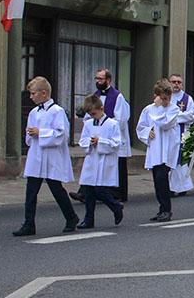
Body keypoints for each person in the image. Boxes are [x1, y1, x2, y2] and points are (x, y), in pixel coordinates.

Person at [13, 77, 79, 236]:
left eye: (33, 93)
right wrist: (31, 135)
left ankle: (71, 217)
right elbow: (29, 136)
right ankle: (29, 223)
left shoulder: (57, 111)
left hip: (51, 157)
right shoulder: (34, 112)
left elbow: (62, 135)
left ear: (44, 93)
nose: (31, 97)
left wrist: (41, 133)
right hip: (36, 155)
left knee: (57, 189)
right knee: (31, 191)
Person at [70, 69, 132, 203]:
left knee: (118, 166)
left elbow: (120, 118)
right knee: (92, 165)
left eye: (101, 79)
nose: (98, 81)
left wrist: (106, 127)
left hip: (113, 136)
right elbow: (88, 116)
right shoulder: (95, 96)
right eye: (96, 78)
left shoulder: (117, 96)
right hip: (97, 137)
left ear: (108, 80)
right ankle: (85, 192)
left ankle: (119, 194)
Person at [76, 95, 124, 229]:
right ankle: (88, 219)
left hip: (105, 160)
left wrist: (101, 142)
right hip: (92, 159)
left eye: (94, 114)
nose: (92, 117)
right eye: (90, 115)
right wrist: (89, 143)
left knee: (100, 189)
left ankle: (116, 207)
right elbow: (83, 140)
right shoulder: (88, 124)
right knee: (89, 190)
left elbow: (116, 143)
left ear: (101, 108)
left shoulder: (112, 124)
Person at [137, 79, 180, 222]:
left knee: (162, 178)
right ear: (156, 95)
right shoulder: (148, 109)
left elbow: (165, 124)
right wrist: (146, 132)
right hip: (155, 149)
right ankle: (161, 208)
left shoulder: (173, 109)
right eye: (163, 98)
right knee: (157, 180)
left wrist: (160, 107)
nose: (166, 101)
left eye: (168, 98)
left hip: (168, 150)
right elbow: (141, 127)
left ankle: (167, 209)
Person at [168, 74, 194, 197]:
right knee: (170, 161)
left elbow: (192, 115)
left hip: (182, 133)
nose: (176, 84)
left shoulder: (187, 99)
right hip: (168, 135)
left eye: (179, 82)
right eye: (173, 82)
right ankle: (171, 187)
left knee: (181, 161)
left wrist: (174, 118)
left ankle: (182, 187)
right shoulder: (165, 97)